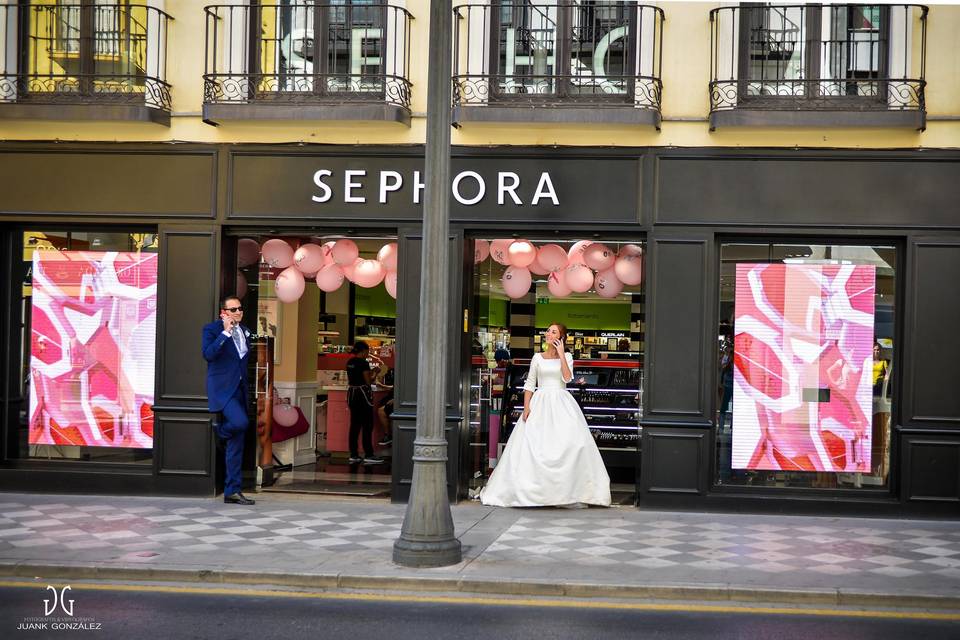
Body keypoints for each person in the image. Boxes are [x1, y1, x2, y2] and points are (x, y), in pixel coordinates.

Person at [480, 323, 611, 507]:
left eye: (554, 332)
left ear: (561, 337)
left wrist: (562, 354)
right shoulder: (537, 357)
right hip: (539, 402)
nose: (549, 334)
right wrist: (526, 407)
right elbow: (530, 383)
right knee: (533, 446)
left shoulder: (567, 356)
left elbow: (567, 378)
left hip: (561, 402)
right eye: (548, 331)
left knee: (571, 444)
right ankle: (534, 492)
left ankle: (567, 492)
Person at [202, 295, 255, 505]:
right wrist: (225, 332)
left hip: (240, 389)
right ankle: (219, 431)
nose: (238, 312)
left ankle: (232, 490)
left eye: (240, 308)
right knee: (241, 423)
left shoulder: (245, 331)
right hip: (223, 389)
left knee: (238, 443)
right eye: (233, 309)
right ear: (223, 313)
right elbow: (208, 354)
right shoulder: (212, 329)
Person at [346, 341, 384, 465]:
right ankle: (369, 454)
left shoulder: (350, 362)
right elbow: (368, 382)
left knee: (354, 425)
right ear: (362, 351)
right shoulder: (363, 363)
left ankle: (353, 454)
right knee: (367, 425)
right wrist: (376, 373)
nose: (368, 354)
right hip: (363, 395)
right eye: (367, 352)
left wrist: (370, 371)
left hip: (352, 394)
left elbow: (356, 376)